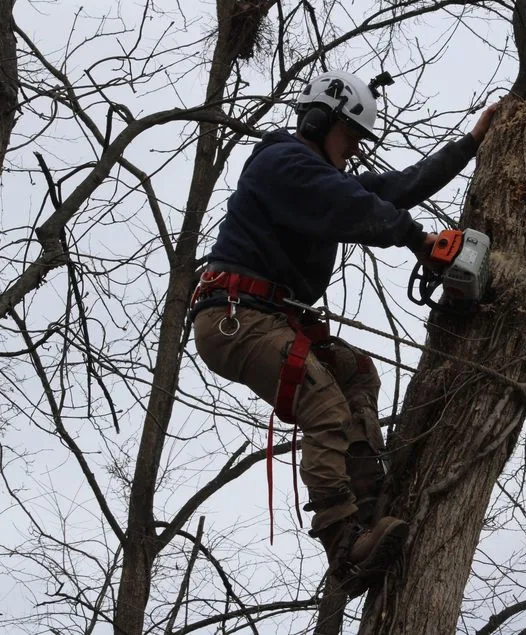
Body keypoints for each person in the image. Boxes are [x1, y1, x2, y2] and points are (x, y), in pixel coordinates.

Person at [190, 70, 495, 595]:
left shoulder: (325, 174)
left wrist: (470, 142)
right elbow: (354, 208)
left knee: (355, 374)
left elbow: (397, 188)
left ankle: (369, 501)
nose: (353, 151)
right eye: (350, 137)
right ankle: (343, 541)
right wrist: (418, 240)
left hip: (271, 316)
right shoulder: (282, 163)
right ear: (317, 120)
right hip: (236, 318)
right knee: (323, 404)